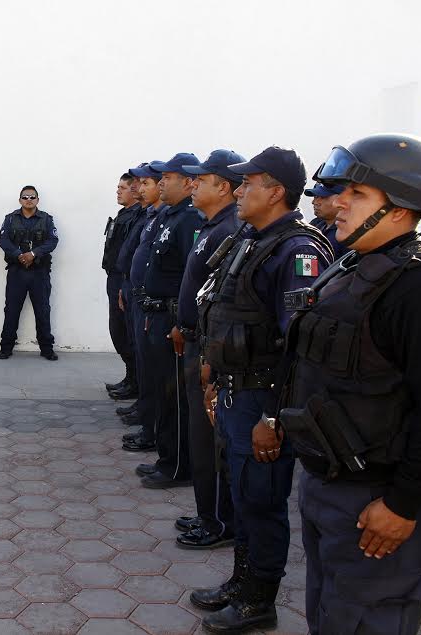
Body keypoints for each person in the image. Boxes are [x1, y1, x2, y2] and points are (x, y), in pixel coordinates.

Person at [281, 134, 421, 635]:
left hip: (378, 498)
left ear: (402, 208)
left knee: (368, 619)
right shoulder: (351, 266)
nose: (340, 203)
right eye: (343, 191)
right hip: (329, 486)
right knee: (329, 613)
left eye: (359, 194)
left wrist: (403, 504)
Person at [191, 147, 333, 633]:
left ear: (275, 192)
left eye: (249, 183)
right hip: (237, 392)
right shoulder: (252, 240)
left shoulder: (298, 251)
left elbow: (300, 348)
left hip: (264, 400)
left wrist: (274, 417)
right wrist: (215, 376)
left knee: (263, 500)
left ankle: (259, 599)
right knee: (242, 495)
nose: (239, 190)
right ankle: (241, 583)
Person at [168, 149, 244, 549]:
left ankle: (219, 521)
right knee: (201, 438)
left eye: (202, 181)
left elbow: (225, 301)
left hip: (209, 347)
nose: (193, 186)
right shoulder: (211, 226)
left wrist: (208, 352)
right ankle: (207, 513)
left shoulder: (230, 230)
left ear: (224, 187)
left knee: (211, 440)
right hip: (196, 339)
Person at [133, 153, 203, 489]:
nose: (162, 183)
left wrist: (182, 320)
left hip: (172, 316)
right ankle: (166, 457)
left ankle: (177, 466)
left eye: (168, 178)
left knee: (174, 396)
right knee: (162, 391)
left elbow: (193, 275)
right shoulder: (169, 216)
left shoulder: (189, 219)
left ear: (188, 182)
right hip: (157, 313)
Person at [119, 164, 167, 448]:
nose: (139, 187)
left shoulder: (180, 219)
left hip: (158, 307)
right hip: (138, 295)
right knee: (144, 362)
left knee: (157, 373)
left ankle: (154, 431)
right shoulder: (151, 216)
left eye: (145, 183)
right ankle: (147, 420)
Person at [0, 185, 60, 360]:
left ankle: (46, 348)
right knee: (11, 309)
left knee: (43, 310)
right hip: (17, 271)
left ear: (37, 200)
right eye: (25, 197)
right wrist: (19, 255)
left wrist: (33, 254)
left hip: (39, 272)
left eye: (32, 197)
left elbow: (52, 241)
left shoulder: (46, 219)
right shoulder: (10, 219)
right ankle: (6, 347)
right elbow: (3, 241)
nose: (29, 200)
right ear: (20, 200)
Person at [103, 173, 144, 395]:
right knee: (118, 330)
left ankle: (135, 382)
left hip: (123, 278)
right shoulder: (124, 214)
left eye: (123, 188)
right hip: (115, 276)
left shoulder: (138, 216)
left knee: (126, 332)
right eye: (117, 187)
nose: (118, 191)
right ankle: (130, 377)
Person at [304, 181, 348, 258]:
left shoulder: (348, 232)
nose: (314, 202)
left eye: (323, 197)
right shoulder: (316, 224)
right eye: (315, 197)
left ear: (342, 199)